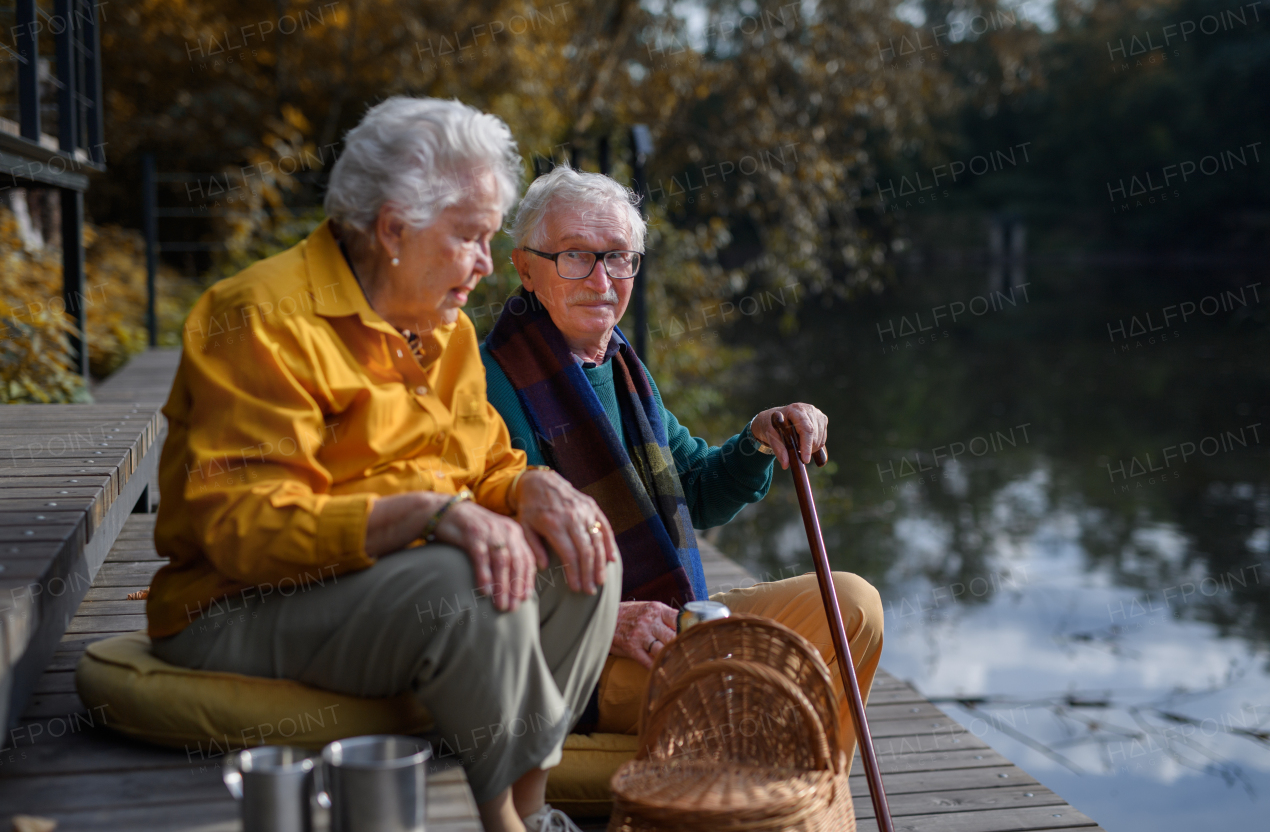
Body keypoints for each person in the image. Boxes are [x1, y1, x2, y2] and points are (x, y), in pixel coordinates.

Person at [146, 99, 619, 832]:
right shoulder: (258, 317)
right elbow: (246, 530)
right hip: (234, 602)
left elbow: (485, 461)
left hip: (385, 587)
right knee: (465, 581)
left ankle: (535, 810)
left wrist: (533, 485)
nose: (486, 264)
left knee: (587, 548)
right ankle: (499, 822)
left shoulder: (447, 328)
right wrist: (428, 514)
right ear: (394, 229)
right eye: (470, 237)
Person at [481, 167, 883, 763]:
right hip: (562, 651)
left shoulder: (622, 368)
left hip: (666, 620)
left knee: (853, 605)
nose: (602, 279)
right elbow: (471, 556)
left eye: (619, 257)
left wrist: (758, 441)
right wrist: (602, 616)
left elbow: (696, 488)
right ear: (527, 268)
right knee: (743, 695)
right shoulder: (484, 381)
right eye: (575, 257)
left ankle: (812, 807)